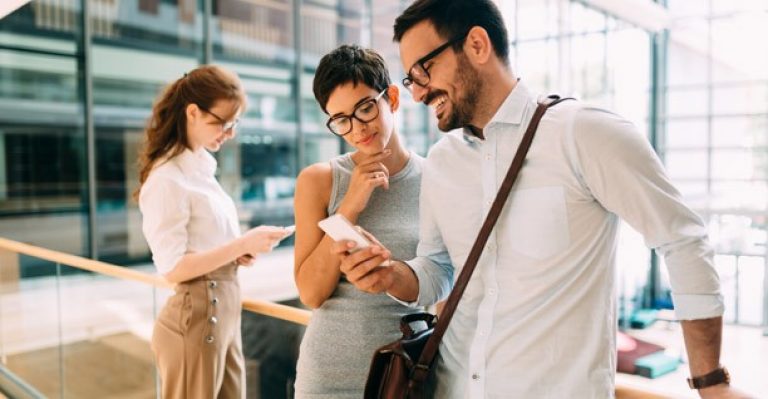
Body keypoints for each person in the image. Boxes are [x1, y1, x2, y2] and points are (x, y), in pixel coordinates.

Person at [333, 1, 751, 398]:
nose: (419, 94)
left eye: (425, 70)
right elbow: (437, 268)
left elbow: (682, 240)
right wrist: (390, 275)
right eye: (411, 80)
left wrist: (709, 380)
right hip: (452, 388)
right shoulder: (443, 162)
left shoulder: (585, 134)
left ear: (477, 45)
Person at [137, 65, 292, 399]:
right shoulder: (167, 179)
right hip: (197, 319)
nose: (230, 132)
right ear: (192, 112)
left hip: (221, 316)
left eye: (234, 123)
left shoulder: (200, 170)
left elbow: (206, 247)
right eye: (223, 122)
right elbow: (173, 268)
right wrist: (240, 244)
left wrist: (238, 251)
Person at [292, 44, 424, 398]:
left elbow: (443, 284)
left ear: (392, 99)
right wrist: (350, 205)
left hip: (404, 374)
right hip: (326, 378)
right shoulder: (319, 181)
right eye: (341, 120)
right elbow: (311, 293)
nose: (357, 129)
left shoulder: (434, 179)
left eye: (365, 108)